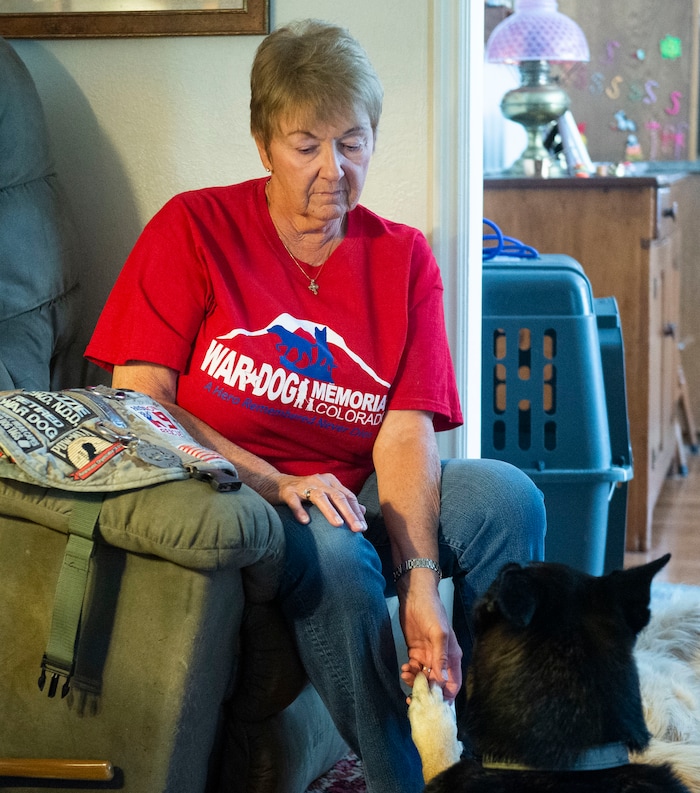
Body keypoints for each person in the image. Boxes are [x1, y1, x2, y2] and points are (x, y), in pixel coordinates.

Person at [86, 19, 546, 793]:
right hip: (251, 493)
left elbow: (405, 429)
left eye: (354, 141)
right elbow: (140, 399)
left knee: (509, 496)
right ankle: (403, 779)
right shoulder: (192, 229)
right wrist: (277, 481)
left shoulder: (402, 257)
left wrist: (424, 579)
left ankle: (482, 740)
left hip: (359, 482)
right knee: (334, 552)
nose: (335, 169)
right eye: (307, 144)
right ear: (265, 145)